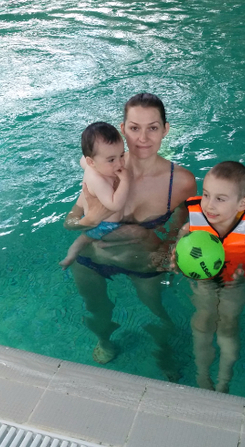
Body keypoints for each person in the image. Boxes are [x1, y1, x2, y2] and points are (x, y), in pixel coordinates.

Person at [64, 93, 196, 368]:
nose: (143, 138)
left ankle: (163, 348)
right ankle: (105, 340)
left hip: (143, 264)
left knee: (159, 314)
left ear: (165, 130)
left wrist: (166, 251)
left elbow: (184, 226)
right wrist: (88, 222)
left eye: (153, 128)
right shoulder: (103, 169)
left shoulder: (181, 182)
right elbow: (70, 221)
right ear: (123, 129)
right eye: (135, 128)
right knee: (97, 313)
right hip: (93, 259)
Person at [175, 161, 245, 393]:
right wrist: (175, 264)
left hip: (233, 285)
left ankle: (224, 380)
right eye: (205, 195)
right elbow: (177, 261)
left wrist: (244, 279)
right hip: (203, 283)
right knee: (203, 320)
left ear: (242, 204)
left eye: (220, 199)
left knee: (228, 325)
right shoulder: (189, 231)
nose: (209, 205)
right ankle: (202, 374)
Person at [59, 122, 130, 270]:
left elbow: (82, 161)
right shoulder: (99, 181)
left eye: (122, 155)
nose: (119, 163)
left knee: (84, 238)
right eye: (111, 160)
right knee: (135, 236)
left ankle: (72, 254)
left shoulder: (90, 167)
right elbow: (115, 204)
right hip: (106, 227)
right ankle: (100, 250)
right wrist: (125, 181)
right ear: (91, 161)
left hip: (92, 224)